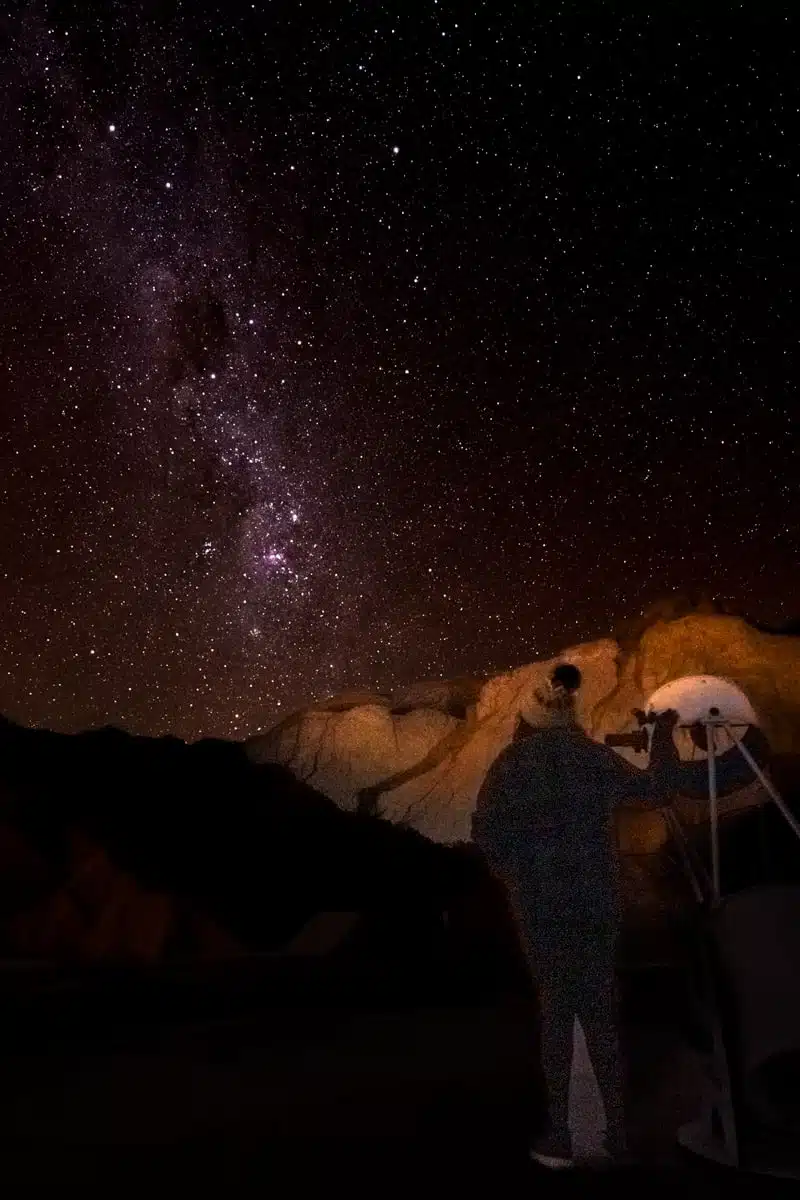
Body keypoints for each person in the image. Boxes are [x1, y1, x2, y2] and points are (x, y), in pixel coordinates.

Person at [471, 663, 682, 1169]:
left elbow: (486, 833)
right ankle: (614, 1134)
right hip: (594, 904)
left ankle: (563, 1133)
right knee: (600, 1015)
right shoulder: (590, 758)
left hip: (543, 910)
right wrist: (663, 736)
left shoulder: (510, 765)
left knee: (557, 1014)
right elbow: (657, 790)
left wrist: (518, 881)